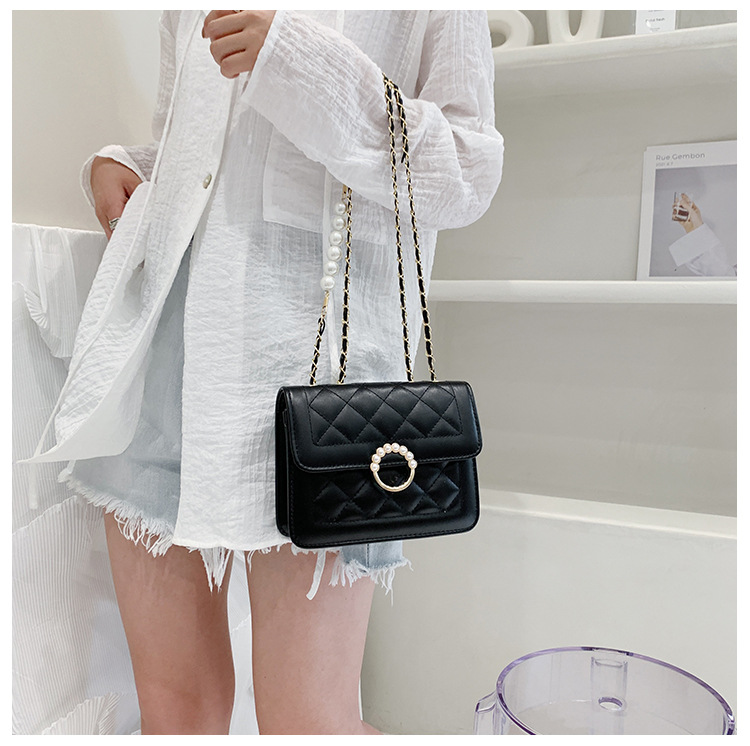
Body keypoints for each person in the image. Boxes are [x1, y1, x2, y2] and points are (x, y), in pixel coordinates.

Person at [23, 10, 503, 735]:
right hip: (159, 359)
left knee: (308, 723)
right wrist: (130, 165)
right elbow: (203, 148)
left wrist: (302, 64)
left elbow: (466, 171)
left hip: (320, 384)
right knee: (173, 713)